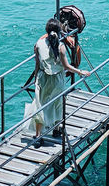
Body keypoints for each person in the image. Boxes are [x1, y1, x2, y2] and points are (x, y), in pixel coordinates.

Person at [26, 18, 90, 148]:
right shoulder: (61, 47)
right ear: (59, 31)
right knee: (57, 103)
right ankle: (56, 128)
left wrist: (35, 80)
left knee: (40, 106)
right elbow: (66, 66)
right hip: (57, 80)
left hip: (43, 78)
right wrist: (80, 71)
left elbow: (37, 64)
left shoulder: (38, 44)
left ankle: (38, 136)